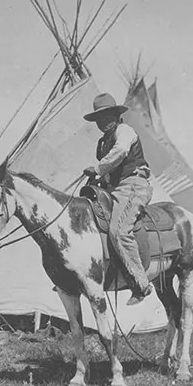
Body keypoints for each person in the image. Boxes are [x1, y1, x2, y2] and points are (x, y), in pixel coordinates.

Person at [82, 93, 154, 305]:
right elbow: (108, 169)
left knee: (119, 231)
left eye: (108, 116)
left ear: (116, 115)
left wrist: (97, 168)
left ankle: (141, 284)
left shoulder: (124, 132)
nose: (104, 122)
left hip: (132, 186)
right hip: (113, 189)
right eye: (100, 119)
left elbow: (121, 152)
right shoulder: (102, 141)